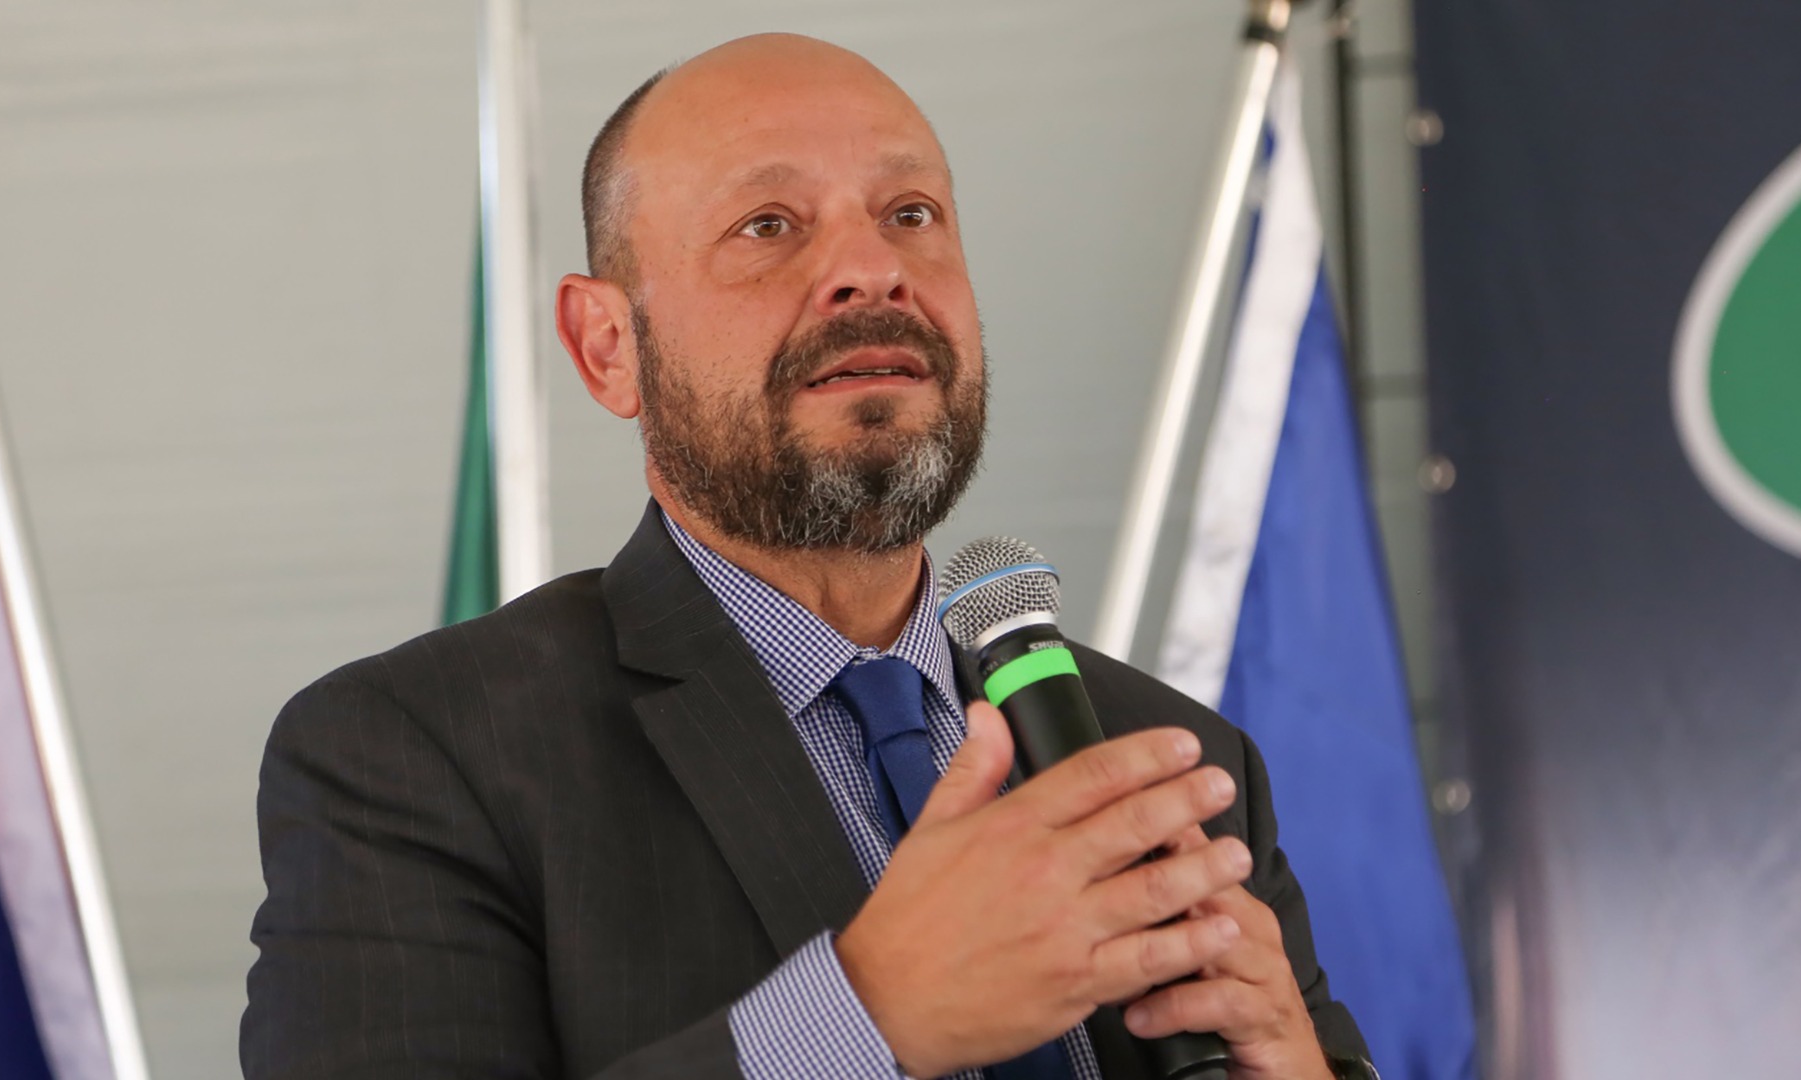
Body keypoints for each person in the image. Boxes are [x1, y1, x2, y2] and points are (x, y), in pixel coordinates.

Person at [241, 33, 1373, 1080]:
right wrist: (867, 1018)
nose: (873, 270)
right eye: (769, 225)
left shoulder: (1177, 761)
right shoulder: (415, 754)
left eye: (912, 214)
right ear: (607, 346)